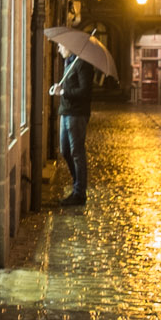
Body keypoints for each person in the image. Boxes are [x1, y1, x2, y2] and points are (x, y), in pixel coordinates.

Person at [49, 41, 96, 206]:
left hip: (77, 114)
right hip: (66, 112)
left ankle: (79, 193)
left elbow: (84, 91)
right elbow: (70, 86)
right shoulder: (69, 62)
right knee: (65, 150)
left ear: (71, 46)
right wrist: (60, 87)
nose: (59, 48)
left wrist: (63, 91)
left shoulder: (83, 64)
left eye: (62, 45)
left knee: (77, 152)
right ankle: (78, 184)